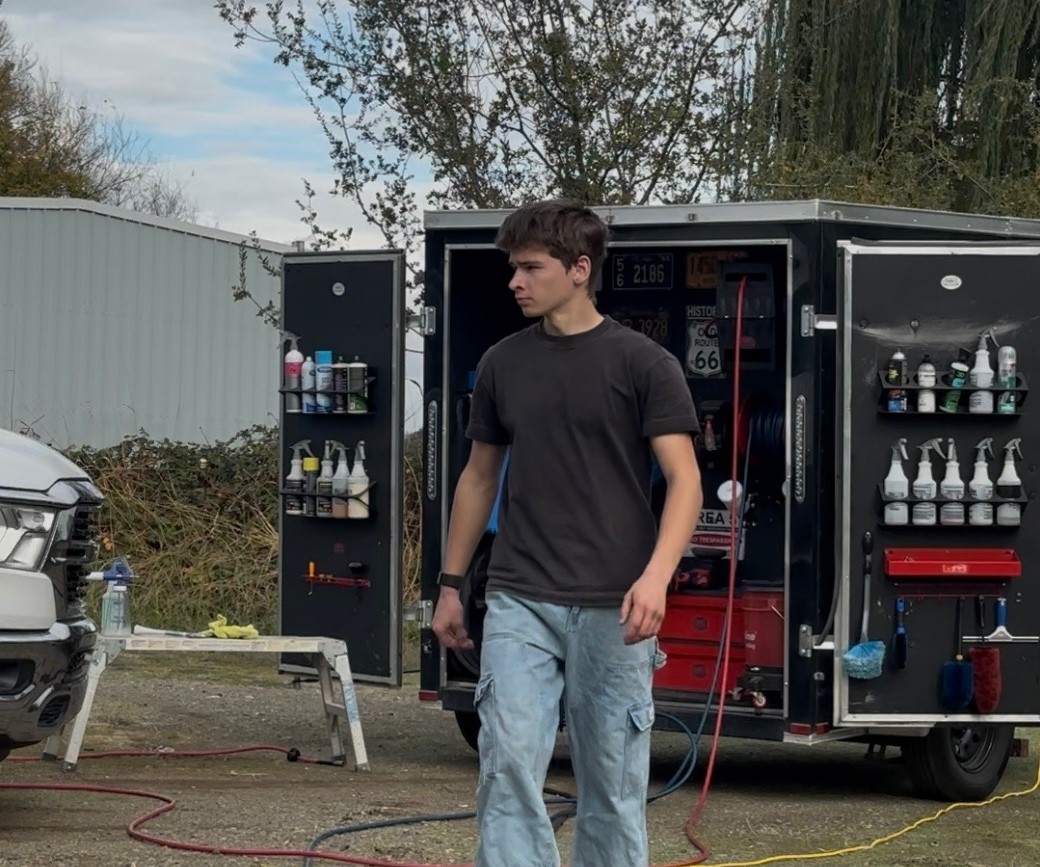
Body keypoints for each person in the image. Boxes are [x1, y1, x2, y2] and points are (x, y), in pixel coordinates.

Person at [432, 199, 703, 867]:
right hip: (519, 595)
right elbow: (478, 478)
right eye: (513, 268)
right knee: (506, 763)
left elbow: (685, 480)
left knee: (611, 785)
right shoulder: (502, 364)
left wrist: (656, 577)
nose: (514, 281)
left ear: (580, 269)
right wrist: (450, 585)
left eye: (531, 268)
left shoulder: (645, 364)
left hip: (616, 604)